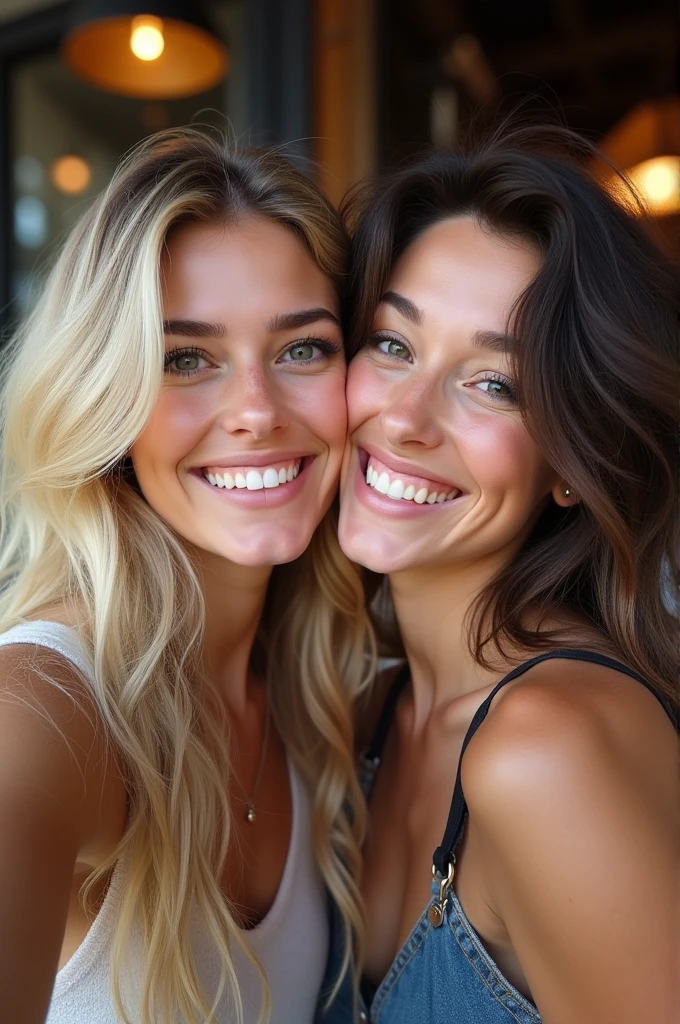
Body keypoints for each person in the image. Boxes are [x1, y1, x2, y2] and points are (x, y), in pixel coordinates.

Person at [0, 128, 373, 1024]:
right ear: (107, 400)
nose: (254, 411)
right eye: (185, 360)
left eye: (303, 349)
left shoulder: (311, 689)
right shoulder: (41, 712)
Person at [334, 126, 679, 1024]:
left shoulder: (550, 748)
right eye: (391, 344)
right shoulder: (371, 713)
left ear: (573, 456)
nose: (406, 418)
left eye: (494, 384)